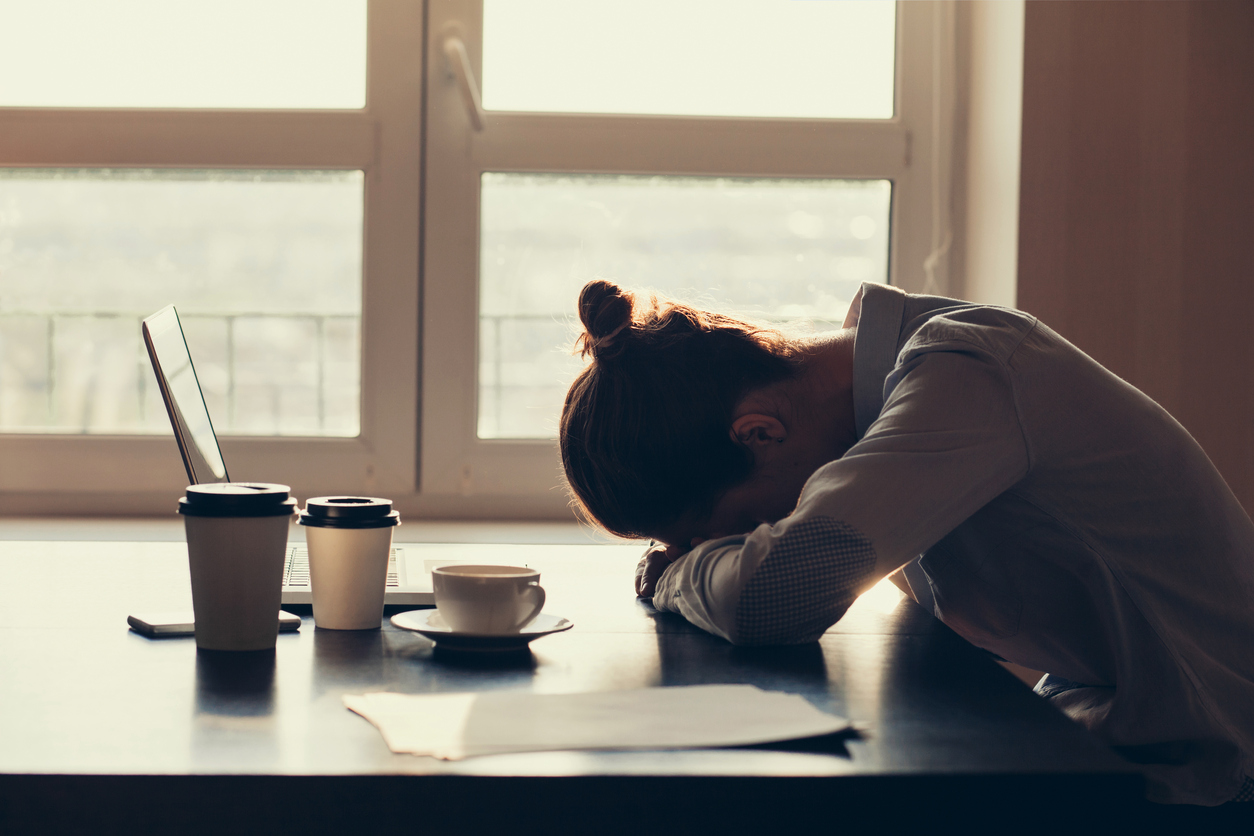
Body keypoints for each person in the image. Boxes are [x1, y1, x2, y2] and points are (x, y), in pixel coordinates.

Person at [559, 278, 1254, 806]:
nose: (724, 548)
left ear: (759, 433)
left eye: (712, 535)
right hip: (1116, 730)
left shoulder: (968, 376)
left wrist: (672, 577)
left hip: (1212, 765)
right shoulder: (893, 392)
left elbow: (775, 594)